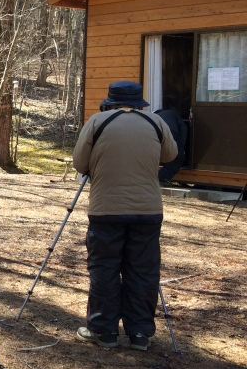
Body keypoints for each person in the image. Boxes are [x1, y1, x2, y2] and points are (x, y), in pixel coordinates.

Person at [73, 81, 177, 351]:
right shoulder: (155, 122)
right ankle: (140, 334)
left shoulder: (98, 122)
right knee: (143, 271)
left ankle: (103, 331)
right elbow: (171, 154)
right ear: (139, 102)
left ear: (110, 101)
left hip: (106, 209)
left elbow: (79, 163)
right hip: (147, 211)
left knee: (104, 269)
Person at [155, 94, 188, 183]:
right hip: (171, 132)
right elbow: (183, 128)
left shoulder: (155, 114)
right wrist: (182, 145)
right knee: (178, 157)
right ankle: (161, 177)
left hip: (154, 134)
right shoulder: (174, 113)